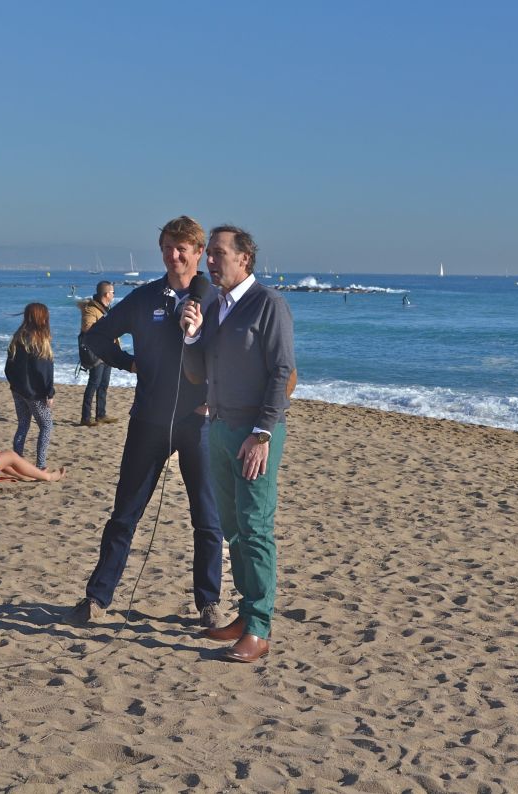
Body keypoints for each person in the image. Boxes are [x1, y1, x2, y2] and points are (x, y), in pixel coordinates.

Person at [64, 215, 224, 630]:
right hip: (149, 420)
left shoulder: (216, 300)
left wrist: (217, 399)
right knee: (125, 514)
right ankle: (97, 598)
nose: (174, 256)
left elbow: (236, 356)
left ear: (198, 253)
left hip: (199, 423)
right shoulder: (144, 298)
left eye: (182, 249)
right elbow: (95, 337)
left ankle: (209, 603)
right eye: (167, 248)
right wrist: (130, 363)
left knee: (207, 519)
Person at [181, 225, 295, 663]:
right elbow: (197, 373)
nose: (209, 261)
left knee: (255, 527)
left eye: (218, 253)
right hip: (219, 428)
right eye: (208, 254)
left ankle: (260, 628)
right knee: (232, 527)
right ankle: (246, 615)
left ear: (244, 258)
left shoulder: (269, 304)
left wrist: (263, 433)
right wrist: (192, 334)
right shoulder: (213, 305)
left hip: (256, 432)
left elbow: (282, 371)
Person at [4, 303, 55, 469]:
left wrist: (15, 384)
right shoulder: (40, 340)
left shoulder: (18, 337)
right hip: (35, 393)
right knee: (46, 426)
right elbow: (45, 371)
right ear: (41, 318)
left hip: (18, 390)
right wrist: (50, 393)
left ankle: (16, 460)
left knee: (23, 424)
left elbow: (8, 368)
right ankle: (40, 465)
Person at [79, 281, 123, 427]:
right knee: (94, 384)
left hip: (107, 352)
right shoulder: (92, 309)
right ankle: (86, 417)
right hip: (97, 352)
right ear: (106, 294)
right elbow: (87, 327)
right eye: (113, 292)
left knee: (104, 384)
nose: (114, 295)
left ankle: (101, 414)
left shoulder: (105, 308)